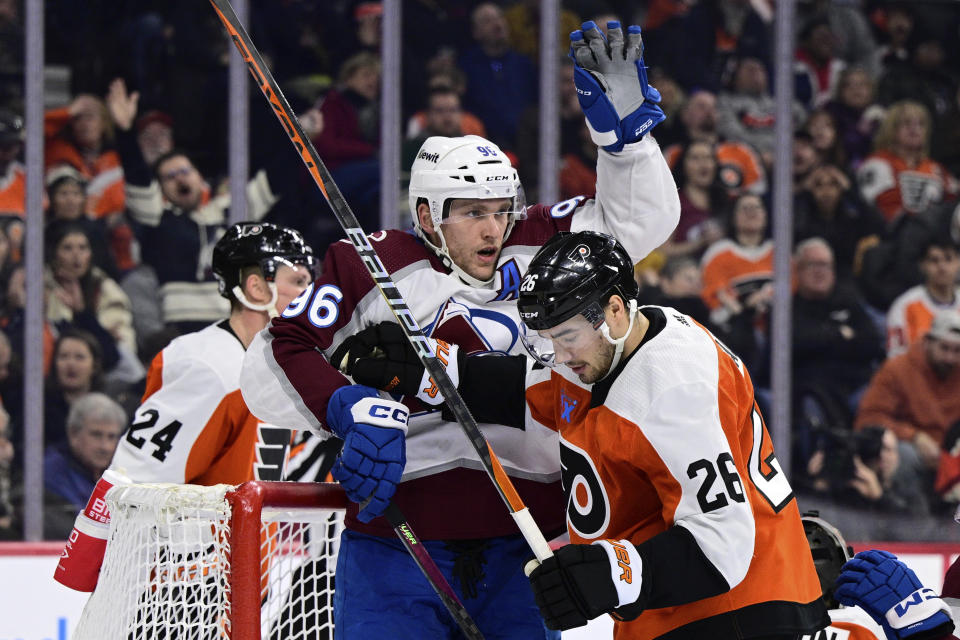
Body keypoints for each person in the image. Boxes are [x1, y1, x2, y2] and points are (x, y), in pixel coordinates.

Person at [239, 21, 676, 639]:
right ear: (427, 215)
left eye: (502, 212)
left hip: (526, 545)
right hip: (396, 545)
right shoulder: (368, 264)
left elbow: (643, 223)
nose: (493, 231)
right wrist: (347, 404)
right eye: (473, 214)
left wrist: (627, 143)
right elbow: (271, 361)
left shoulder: (542, 241)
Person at [337, 230, 828, 638]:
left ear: (615, 309)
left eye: (566, 337)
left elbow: (724, 541)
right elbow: (524, 388)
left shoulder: (675, 384)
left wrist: (615, 574)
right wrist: (434, 371)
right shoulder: (601, 351)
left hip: (740, 609)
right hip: (670, 613)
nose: (560, 355)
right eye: (548, 340)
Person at [54, 221, 316, 592]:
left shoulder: (277, 368)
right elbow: (135, 473)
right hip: (184, 589)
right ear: (257, 288)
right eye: (299, 280)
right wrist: (84, 564)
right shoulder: (212, 365)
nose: (310, 293)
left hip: (241, 580)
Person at [105, 78, 284, 332]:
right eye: (169, 176)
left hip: (233, 328)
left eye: (185, 171)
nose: (179, 177)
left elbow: (275, 180)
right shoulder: (159, 217)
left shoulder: (229, 211)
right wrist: (124, 132)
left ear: (200, 179)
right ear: (163, 190)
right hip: (182, 330)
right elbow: (137, 179)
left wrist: (302, 137)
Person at [855, 309, 960, 486]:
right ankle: (906, 512)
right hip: (910, 447)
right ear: (927, 342)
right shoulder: (897, 370)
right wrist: (914, 437)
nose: (950, 358)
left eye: (957, 351)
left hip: (951, 451)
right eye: (944, 348)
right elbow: (868, 420)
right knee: (905, 455)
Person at [857, 100, 959, 224]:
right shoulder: (878, 162)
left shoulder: (935, 168)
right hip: (890, 235)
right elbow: (883, 208)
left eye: (921, 124)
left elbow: (954, 201)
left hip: (933, 236)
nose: (914, 129)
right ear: (892, 129)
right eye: (906, 123)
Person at [43, 393, 126, 531]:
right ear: (73, 434)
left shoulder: (120, 474)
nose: (105, 446)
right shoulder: (49, 472)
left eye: (112, 437)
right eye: (96, 435)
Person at [887, 239, 960, 358]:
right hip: (918, 374)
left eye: (948, 259)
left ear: (958, 262)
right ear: (923, 265)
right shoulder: (904, 306)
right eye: (934, 260)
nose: (942, 267)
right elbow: (896, 357)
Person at [44, 329, 106, 447]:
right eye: (63, 356)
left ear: (94, 366)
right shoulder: (41, 407)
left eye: (79, 357)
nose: (71, 364)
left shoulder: (105, 408)